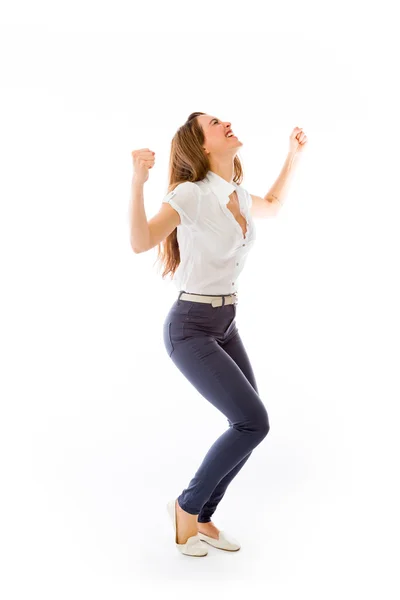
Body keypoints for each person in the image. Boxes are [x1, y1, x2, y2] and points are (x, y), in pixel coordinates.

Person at [129, 112, 307, 556]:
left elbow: (274, 204)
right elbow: (140, 240)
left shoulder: (237, 196)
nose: (226, 123)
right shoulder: (189, 194)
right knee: (252, 422)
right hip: (190, 328)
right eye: (214, 123)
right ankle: (186, 507)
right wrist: (137, 182)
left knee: (248, 423)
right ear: (201, 145)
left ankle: (204, 516)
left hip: (225, 324)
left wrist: (294, 156)